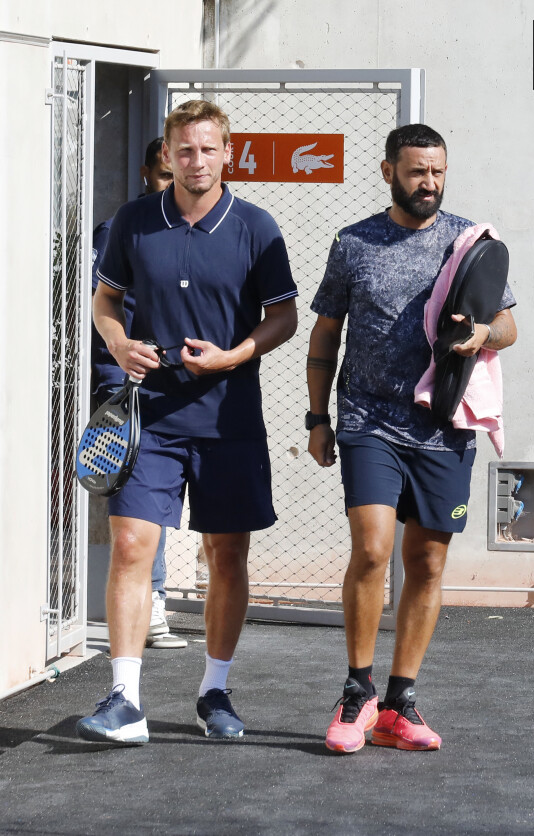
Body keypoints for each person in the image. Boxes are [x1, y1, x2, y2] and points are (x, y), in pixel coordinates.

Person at [77, 99, 297, 745]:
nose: (195, 161)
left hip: (228, 418)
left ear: (228, 153)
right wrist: (118, 344)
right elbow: (105, 301)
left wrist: (233, 355)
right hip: (149, 418)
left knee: (226, 555)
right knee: (129, 547)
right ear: (167, 156)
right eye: (184, 150)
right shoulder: (134, 222)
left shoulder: (256, 226)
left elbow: (281, 316)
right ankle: (123, 699)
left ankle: (214, 691)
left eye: (207, 149)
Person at [306, 123, 517, 754]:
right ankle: (356, 691)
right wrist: (318, 418)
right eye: (417, 171)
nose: (429, 182)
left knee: (426, 561)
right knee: (372, 550)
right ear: (388, 171)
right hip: (368, 418)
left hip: (443, 425)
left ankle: (400, 702)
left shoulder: (468, 240)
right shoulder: (354, 243)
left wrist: (482, 336)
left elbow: (506, 323)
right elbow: (324, 337)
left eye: (438, 171)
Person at [91, 137, 186, 650]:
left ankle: (154, 601)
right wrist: (121, 360)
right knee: (139, 507)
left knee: (155, 506)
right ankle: (151, 607)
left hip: (175, 387)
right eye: (164, 175)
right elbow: (103, 307)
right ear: (148, 174)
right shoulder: (121, 229)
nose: (174, 184)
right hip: (124, 386)